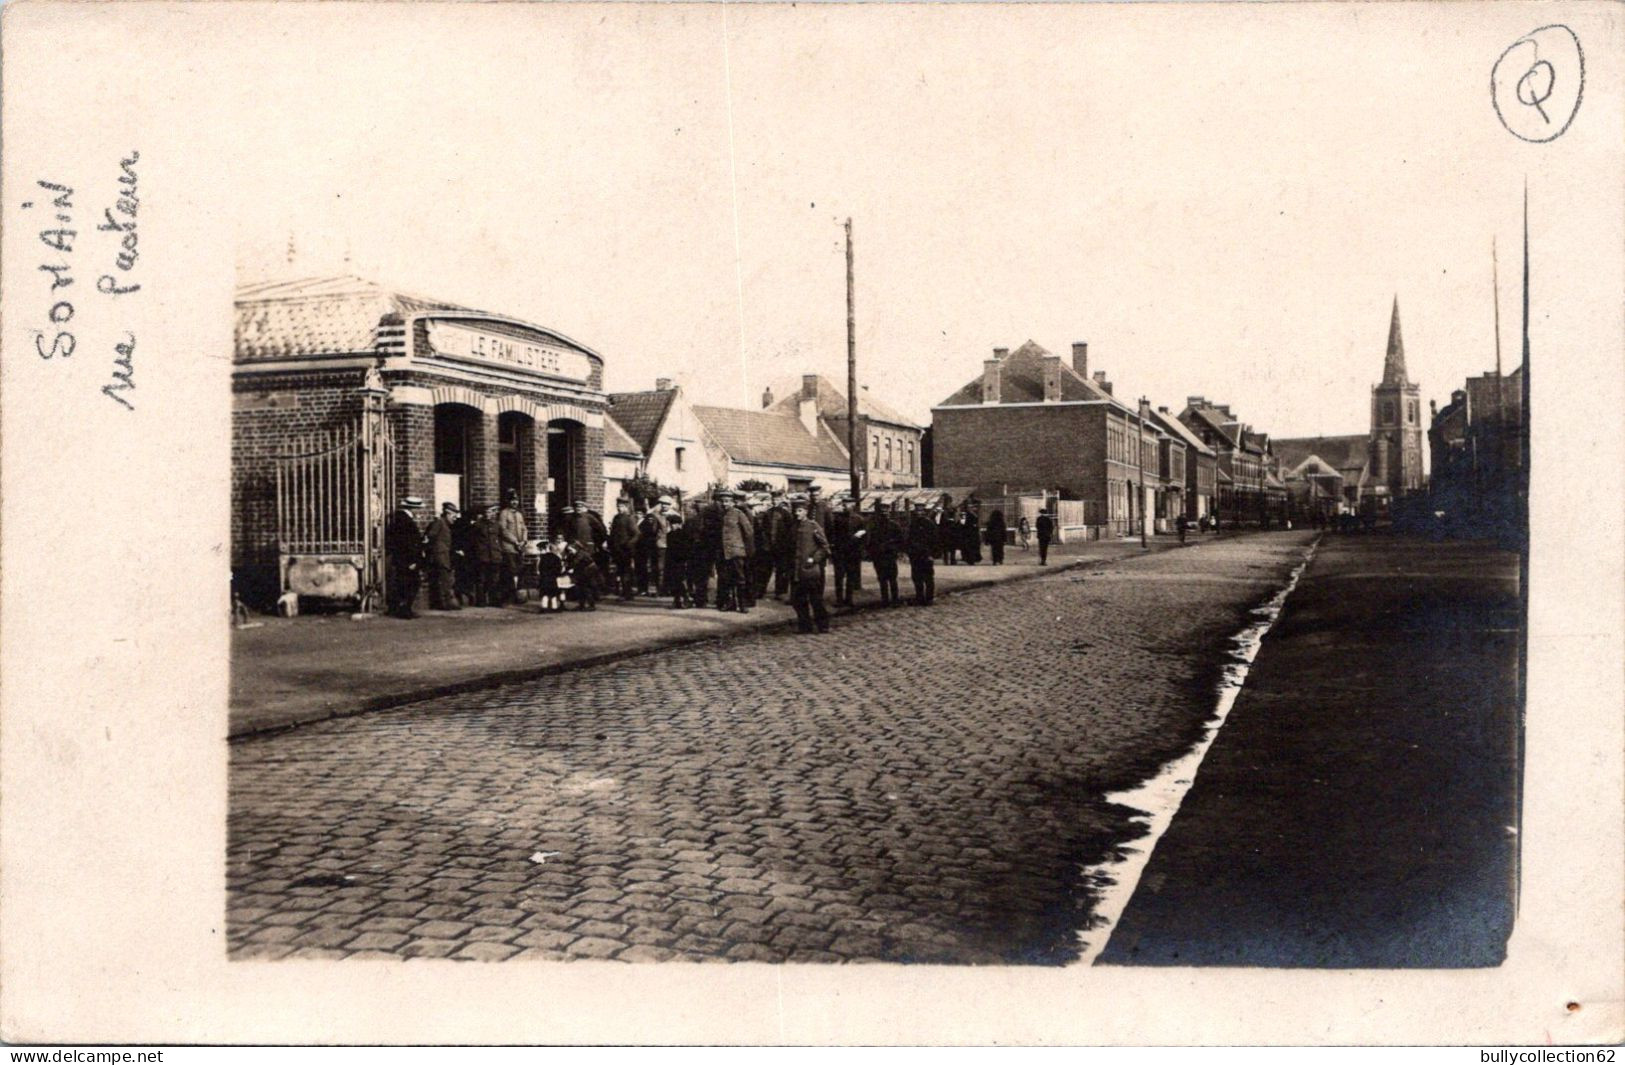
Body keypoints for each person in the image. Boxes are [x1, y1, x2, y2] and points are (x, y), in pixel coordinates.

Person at [788, 496, 830, 634]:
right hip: (795, 571)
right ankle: (805, 626)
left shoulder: (813, 526)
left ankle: (823, 625)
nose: (796, 513)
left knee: (815, 600)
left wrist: (814, 559)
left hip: (810, 570)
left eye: (799, 510)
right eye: (795, 510)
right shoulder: (793, 527)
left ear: (805, 511)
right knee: (797, 600)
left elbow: (824, 547)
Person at [384, 496, 426, 618]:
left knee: (403, 583)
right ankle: (404, 609)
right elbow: (405, 543)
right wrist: (412, 561)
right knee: (411, 583)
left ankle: (397, 608)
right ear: (413, 508)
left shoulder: (401, 519)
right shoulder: (405, 521)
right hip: (407, 559)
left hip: (403, 558)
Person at [717, 490, 755, 613]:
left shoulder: (739, 514)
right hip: (723, 552)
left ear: (733, 502)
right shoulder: (720, 515)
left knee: (740, 578)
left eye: (727, 501)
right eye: (722, 501)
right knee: (726, 579)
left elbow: (749, 532)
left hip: (736, 551)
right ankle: (730, 603)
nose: (724, 504)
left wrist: (745, 549)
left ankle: (743, 604)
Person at [425, 501, 461, 610]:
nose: (455, 518)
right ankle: (443, 603)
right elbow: (431, 536)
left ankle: (446, 602)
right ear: (448, 514)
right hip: (440, 556)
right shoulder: (440, 522)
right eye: (453, 516)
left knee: (445, 580)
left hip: (443, 555)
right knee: (443, 580)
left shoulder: (444, 524)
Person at [867, 499, 904, 606]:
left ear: (889, 511)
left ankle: (895, 599)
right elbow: (870, 541)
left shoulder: (894, 526)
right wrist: (873, 552)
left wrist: (893, 549)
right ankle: (885, 600)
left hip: (890, 555)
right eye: (882, 510)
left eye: (886, 510)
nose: (884, 512)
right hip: (878, 555)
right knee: (882, 578)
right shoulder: (874, 526)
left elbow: (900, 541)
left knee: (892, 578)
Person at [830, 497, 866, 606]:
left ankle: (849, 599)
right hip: (840, 552)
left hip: (852, 552)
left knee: (851, 576)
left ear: (853, 505)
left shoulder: (859, 519)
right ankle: (839, 600)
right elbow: (833, 535)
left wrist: (860, 547)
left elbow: (865, 535)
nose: (845, 506)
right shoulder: (838, 519)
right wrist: (834, 550)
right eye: (844, 504)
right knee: (839, 577)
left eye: (848, 504)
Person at [497, 492, 529, 605]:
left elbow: (524, 528)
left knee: (520, 571)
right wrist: (515, 541)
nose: (514, 502)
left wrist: (524, 540)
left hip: (519, 548)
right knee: (510, 571)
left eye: (516, 500)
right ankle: (508, 596)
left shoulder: (519, 514)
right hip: (509, 547)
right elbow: (503, 530)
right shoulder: (504, 514)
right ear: (508, 501)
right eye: (512, 500)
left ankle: (519, 596)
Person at [906, 504, 938, 606]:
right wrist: (910, 552)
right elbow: (909, 539)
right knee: (916, 577)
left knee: (928, 576)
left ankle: (929, 598)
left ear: (924, 512)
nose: (919, 513)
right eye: (917, 511)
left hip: (926, 554)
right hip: (915, 555)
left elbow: (935, 540)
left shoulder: (929, 524)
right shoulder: (913, 524)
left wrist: (932, 554)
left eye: (921, 511)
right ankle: (919, 597)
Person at [608, 497, 639, 601]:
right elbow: (613, 533)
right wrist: (610, 544)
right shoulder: (616, 518)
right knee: (620, 571)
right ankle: (624, 592)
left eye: (621, 506)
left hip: (625, 550)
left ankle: (627, 593)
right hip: (616, 549)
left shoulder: (629, 518)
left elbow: (636, 534)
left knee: (626, 571)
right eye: (618, 506)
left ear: (626, 507)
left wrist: (629, 544)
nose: (619, 508)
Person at [451, 504, 479, 605]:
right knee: (464, 574)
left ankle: (464, 594)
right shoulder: (463, 525)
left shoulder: (470, 524)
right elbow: (456, 538)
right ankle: (463, 594)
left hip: (469, 554)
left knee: (466, 575)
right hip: (464, 553)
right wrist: (458, 549)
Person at [565, 536, 601, 611]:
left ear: (575, 548)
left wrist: (569, 568)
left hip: (589, 570)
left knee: (585, 587)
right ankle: (582, 604)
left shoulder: (581, 553)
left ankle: (591, 605)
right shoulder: (578, 553)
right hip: (584, 570)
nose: (570, 551)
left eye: (571, 549)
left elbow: (576, 562)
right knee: (581, 587)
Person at [769, 492, 795, 598]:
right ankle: (760, 590)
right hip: (770, 545)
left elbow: (790, 530)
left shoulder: (786, 514)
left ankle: (780, 591)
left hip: (782, 546)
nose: (775, 501)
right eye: (773, 499)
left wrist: (786, 544)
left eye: (777, 499)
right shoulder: (768, 513)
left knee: (782, 569)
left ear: (781, 500)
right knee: (766, 568)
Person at [664, 512, 692, 608]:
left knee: (681, 581)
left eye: (673, 524)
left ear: (679, 524)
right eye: (670, 524)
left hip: (681, 561)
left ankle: (686, 599)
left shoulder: (684, 534)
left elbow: (687, 549)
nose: (671, 526)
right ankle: (676, 600)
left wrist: (685, 560)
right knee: (673, 581)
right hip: (672, 561)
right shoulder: (669, 535)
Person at [536, 534, 566, 613]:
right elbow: (559, 569)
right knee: (553, 594)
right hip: (553, 578)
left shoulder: (543, 557)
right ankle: (554, 607)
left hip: (544, 578)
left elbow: (540, 567)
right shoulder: (557, 558)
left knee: (545, 594)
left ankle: (544, 608)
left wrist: (541, 574)